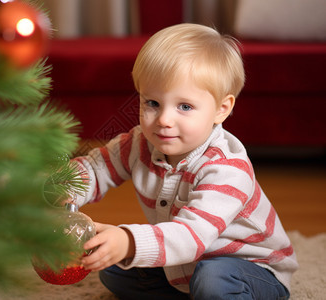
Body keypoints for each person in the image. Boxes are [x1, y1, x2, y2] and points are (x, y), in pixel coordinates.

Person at [70, 23, 298, 299]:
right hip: (187, 261)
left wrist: (129, 241)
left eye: (185, 107)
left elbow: (191, 235)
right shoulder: (139, 142)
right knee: (114, 269)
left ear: (220, 109)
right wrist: (66, 188)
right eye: (152, 103)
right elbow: (97, 168)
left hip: (251, 268)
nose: (164, 120)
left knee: (212, 279)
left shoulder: (227, 169)